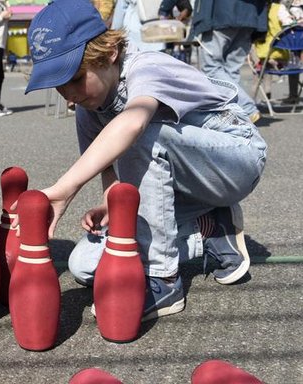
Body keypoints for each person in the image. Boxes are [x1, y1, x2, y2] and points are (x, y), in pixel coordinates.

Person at [24, 0, 266, 320]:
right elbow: (111, 176)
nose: (68, 94)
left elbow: (133, 124)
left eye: (75, 77)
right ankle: (208, 230)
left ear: (109, 53)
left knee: (141, 131)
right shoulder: (87, 109)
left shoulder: (147, 67)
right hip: (187, 186)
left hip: (236, 158)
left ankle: (163, 280)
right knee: (83, 266)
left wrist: (64, 189)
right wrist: (112, 206)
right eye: (58, 86)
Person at [190, 0, 268, 123]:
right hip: (250, 15)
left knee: (211, 68)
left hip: (220, 14)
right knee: (231, 70)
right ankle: (236, 115)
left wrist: (164, 9)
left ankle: (248, 109)